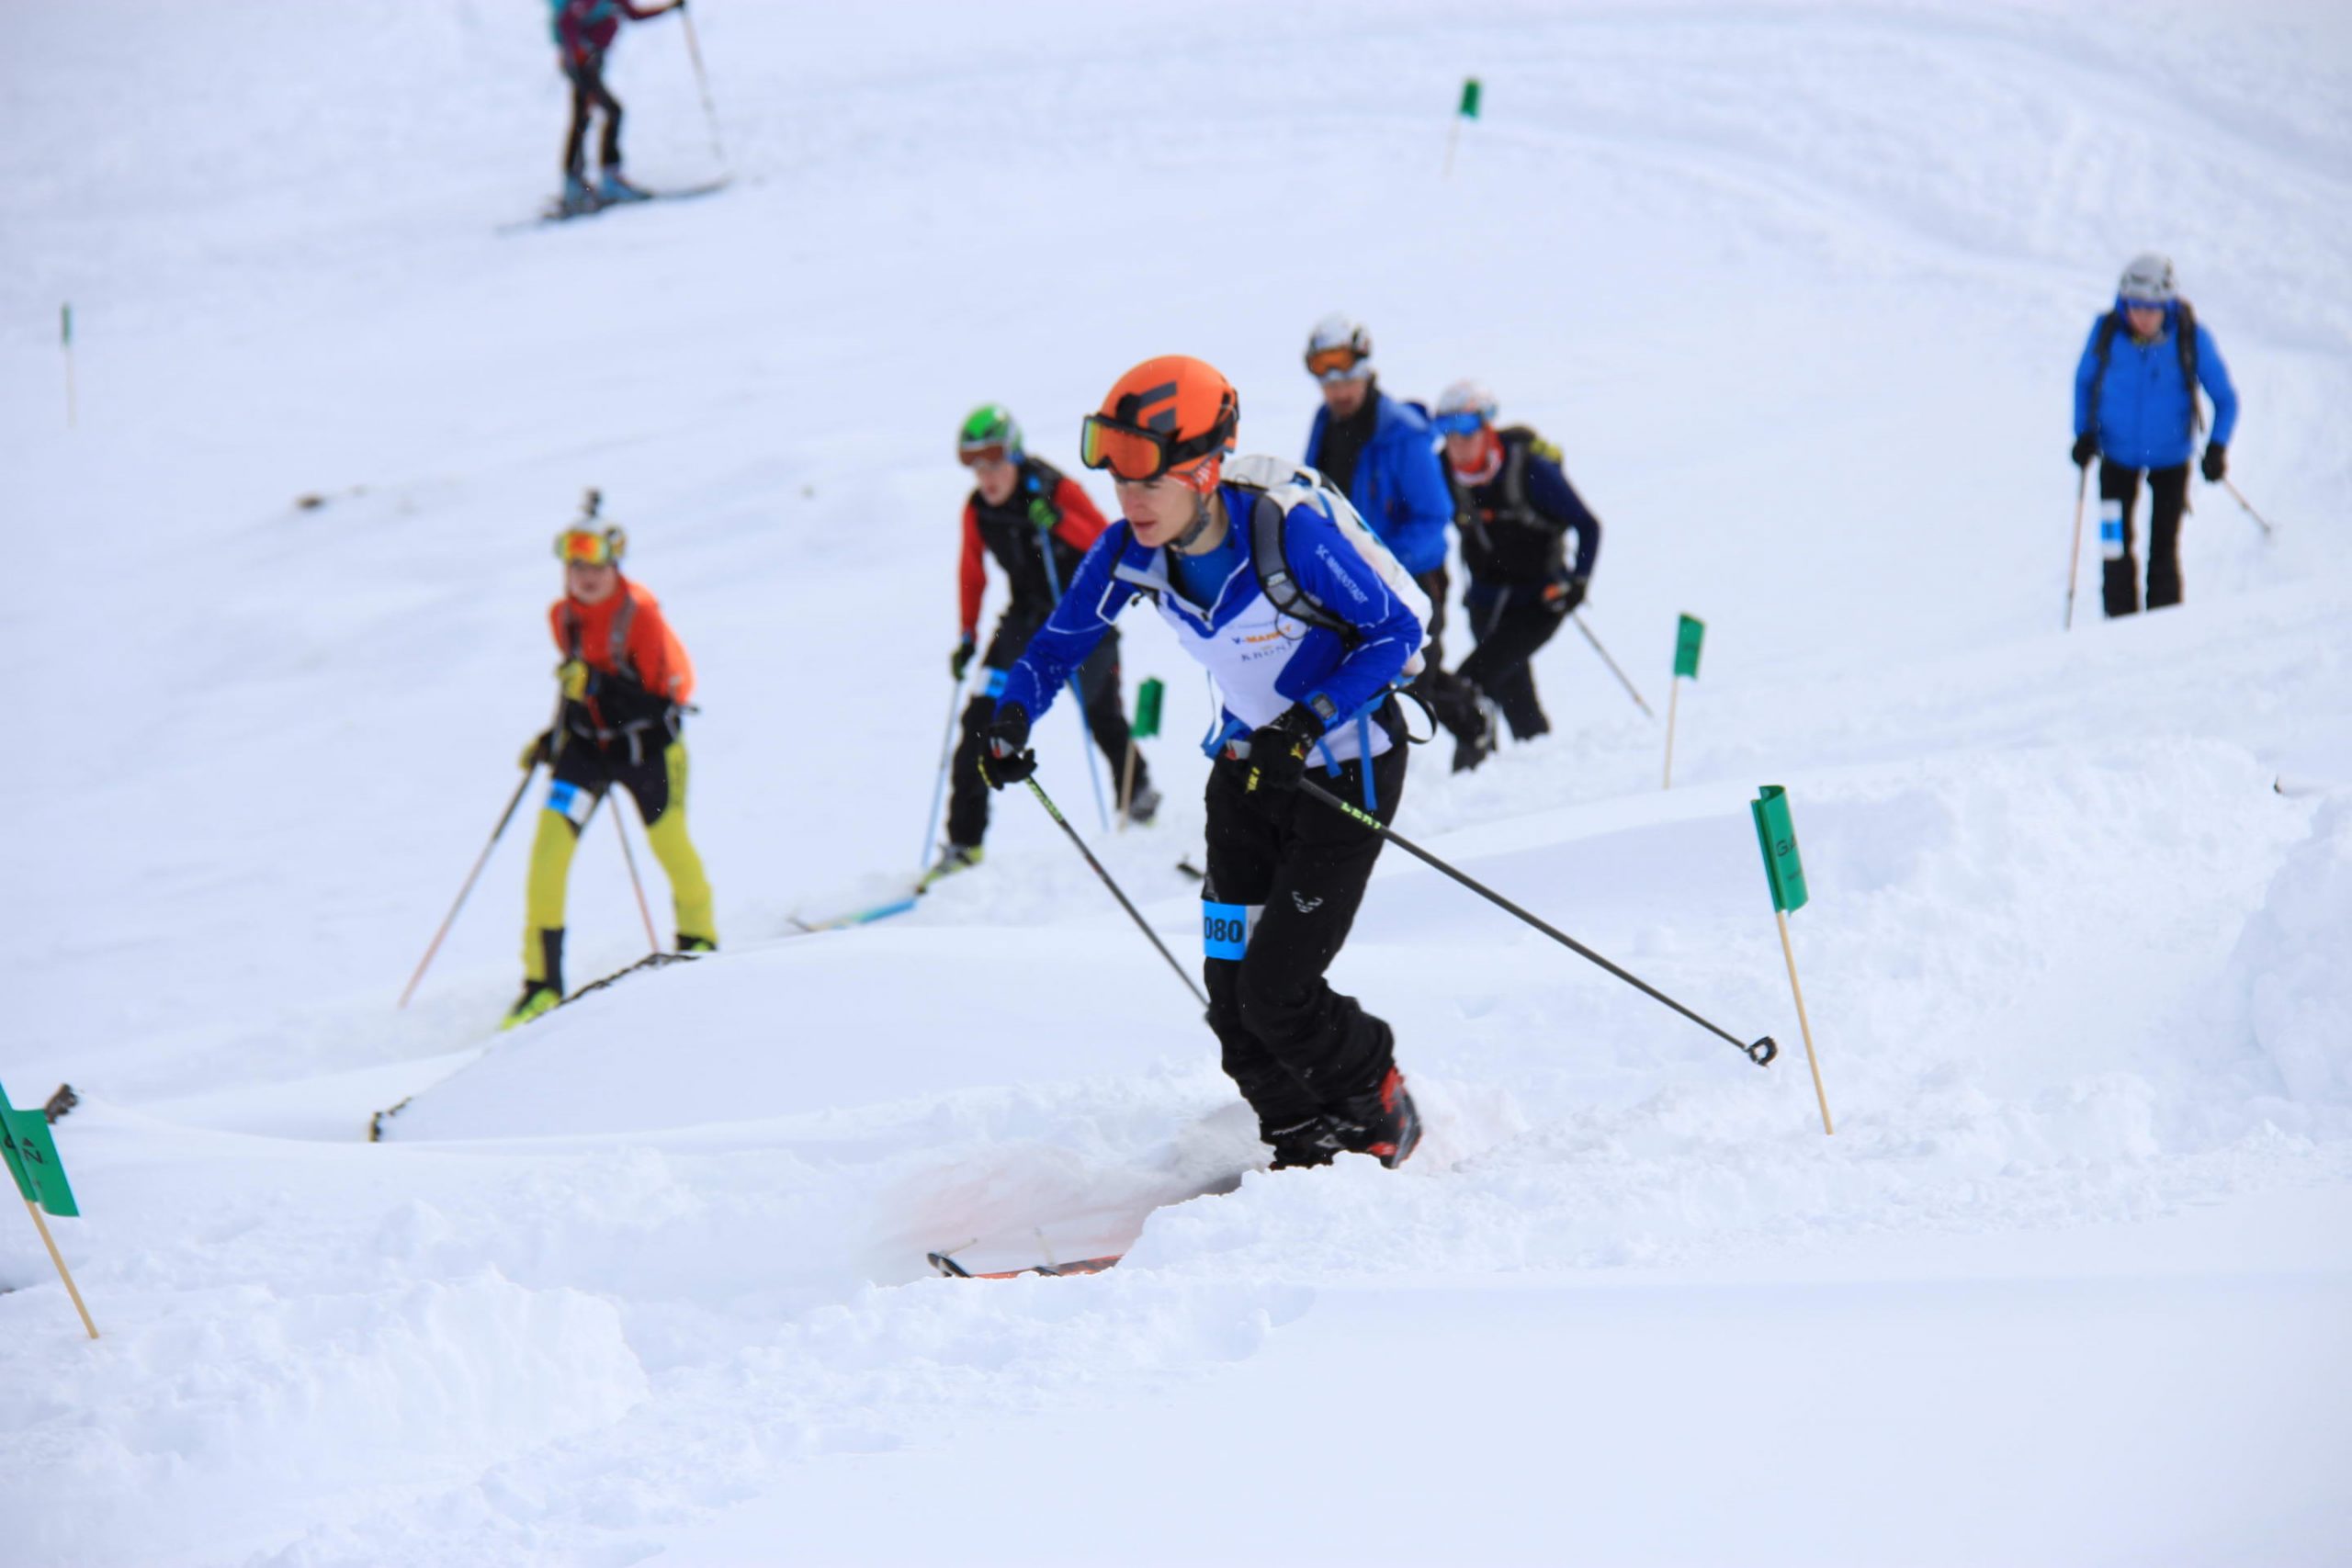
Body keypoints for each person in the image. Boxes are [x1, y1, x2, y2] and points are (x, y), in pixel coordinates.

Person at [977, 356, 1429, 1169]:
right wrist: (1010, 715)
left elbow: (1395, 634)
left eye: (1147, 482)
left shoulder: (1285, 534)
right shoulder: (1130, 551)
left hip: (1345, 772)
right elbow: (1058, 646)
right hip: (1250, 776)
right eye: (1118, 481)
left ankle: (1377, 1101)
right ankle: (1298, 1140)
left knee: (1277, 988)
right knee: (1229, 996)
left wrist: (1310, 720)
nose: (1131, 501)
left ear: (1206, 468)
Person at [931, 404, 1157, 886]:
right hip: (1021, 621)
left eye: (994, 461)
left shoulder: (1054, 488)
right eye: (974, 464)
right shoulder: (978, 510)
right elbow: (971, 572)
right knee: (979, 722)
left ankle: (1137, 800)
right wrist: (968, 635)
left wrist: (1056, 520)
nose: (986, 476)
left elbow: (1105, 539)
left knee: (1103, 718)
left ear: (1014, 453)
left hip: (1079, 616)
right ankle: (963, 844)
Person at [505, 511, 715, 1029]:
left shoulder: (640, 617)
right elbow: (576, 692)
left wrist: (596, 689)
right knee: (548, 855)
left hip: (649, 753)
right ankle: (541, 984)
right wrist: (551, 739)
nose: (585, 574)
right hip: (587, 751)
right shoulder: (563, 617)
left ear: (615, 562)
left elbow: (658, 703)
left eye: (594, 562)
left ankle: (700, 942)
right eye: (574, 564)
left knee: (670, 846)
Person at [1299, 313, 1476, 743]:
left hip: (1411, 579)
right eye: (1327, 381)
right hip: (1346, 577)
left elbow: (1434, 516)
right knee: (1365, 677)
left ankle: (1474, 724)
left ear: (1363, 369)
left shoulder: (1403, 434)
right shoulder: (1325, 423)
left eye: (1345, 379)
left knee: (1413, 679)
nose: (1337, 391)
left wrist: (1381, 561)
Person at [1430, 380, 1604, 771]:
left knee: (1470, 683)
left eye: (1466, 432)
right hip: (1485, 603)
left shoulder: (1528, 468)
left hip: (1539, 603)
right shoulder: (1442, 471)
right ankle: (1537, 770)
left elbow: (1588, 525)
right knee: (1513, 694)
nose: (1457, 444)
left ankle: (1468, 774)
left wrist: (1578, 582)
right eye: (1447, 433)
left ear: (1486, 427)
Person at [2071, 253, 2239, 617]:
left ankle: (2163, 640)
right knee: (2113, 548)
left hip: (2170, 461)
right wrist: (2083, 434)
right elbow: (2084, 384)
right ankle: (2118, 629)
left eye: (2151, 307)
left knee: (2163, 549)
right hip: (2115, 459)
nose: (2142, 316)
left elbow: (2225, 399)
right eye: (2134, 306)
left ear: (2167, 304)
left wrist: (2218, 447)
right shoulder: (2106, 333)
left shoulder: (2191, 338)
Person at [550, 0, 686, 216]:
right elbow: (567, 20)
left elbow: (634, 15)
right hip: (583, 63)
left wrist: (669, 9)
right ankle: (602, 181)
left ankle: (577, 184)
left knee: (584, 118)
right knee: (611, 112)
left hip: (587, 61)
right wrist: (578, 53)